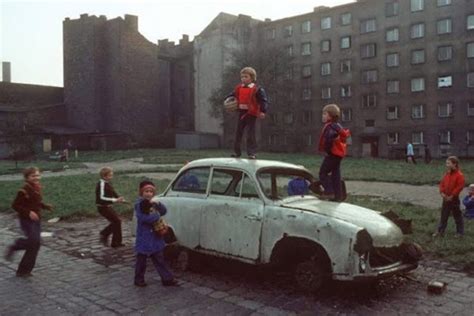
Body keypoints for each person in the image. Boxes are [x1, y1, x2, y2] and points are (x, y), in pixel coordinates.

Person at [4, 167, 53, 277]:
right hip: (26, 220)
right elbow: (15, 205)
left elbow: (36, 202)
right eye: (33, 176)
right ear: (27, 178)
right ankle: (16, 245)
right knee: (34, 241)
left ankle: (24, 271)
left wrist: (44, 206)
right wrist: (28, 212)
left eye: (37, 175)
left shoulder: (37, 187)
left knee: (35, 244)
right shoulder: (24, 190)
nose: (36, 177)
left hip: (37, 219)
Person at [134, 180, 178, 287]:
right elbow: (143, 218)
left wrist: (159, 204)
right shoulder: (139, 204)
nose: (148, 193)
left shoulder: (153, 203)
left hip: (155, 236)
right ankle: (138, 279)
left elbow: (164, 211)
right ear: (141, 192)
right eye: (146, 191)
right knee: (141, 261)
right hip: (144, 237)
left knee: (159, 259)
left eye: (151, 192)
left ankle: (167, 278)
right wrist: (157, 216)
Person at [225, 66, 269, 160]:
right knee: (238, 133)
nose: (243, 79)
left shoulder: (256, 89)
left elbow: (263, 100)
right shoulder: (239, 88)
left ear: (252, 78)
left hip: (251, 114)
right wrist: (227, 100)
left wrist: (262, 111)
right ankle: (237, 152)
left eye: (246, 77)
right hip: (242, 112)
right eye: (242, 77)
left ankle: (251, 153)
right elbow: (232, 95)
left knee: (250, 133)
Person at [318, 104, 350, 202]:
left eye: (324, 114)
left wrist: (327, 150)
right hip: (339, 155)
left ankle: (329, 191)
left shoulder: (330, 127)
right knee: (336, 174)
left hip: (332, 154)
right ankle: (338, 195)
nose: (322, 116)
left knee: (323, 173)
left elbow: (329, 139)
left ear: (330, 116)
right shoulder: (338, 126)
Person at [433, 156, 465, 238]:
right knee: (444, 215)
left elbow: (459, 187)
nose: (446, 165)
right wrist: (442, 192)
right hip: (445, 198)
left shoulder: (459, 175)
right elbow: (442, 184)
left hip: (454, 199)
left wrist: (452, 195)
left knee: (457, 216)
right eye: (446, 163)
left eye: (448, 163)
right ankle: (440, 231)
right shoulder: (447, 174)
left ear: (454, 164)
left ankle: (460, 232)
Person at [96, 167, 125, 247]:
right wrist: (115, 200)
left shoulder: (107, 183)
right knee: (117, 221)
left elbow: (112, 192)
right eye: (110, 176)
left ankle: (114, 241)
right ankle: (111, 239)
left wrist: (119, 198)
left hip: (107, 206)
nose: (111, 177)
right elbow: (101, 197)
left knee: (116, 221)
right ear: (104, 176)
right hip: (102, 207)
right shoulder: (101, 184)